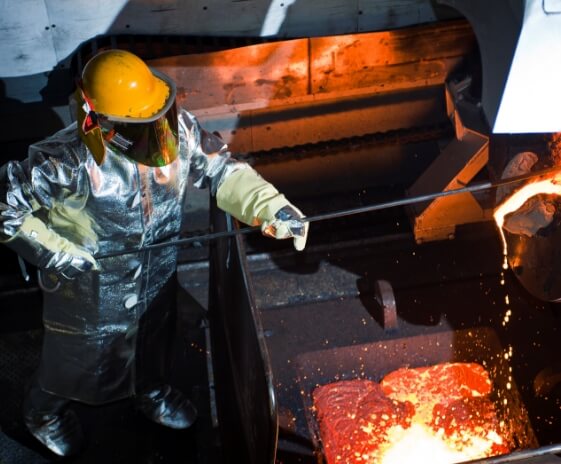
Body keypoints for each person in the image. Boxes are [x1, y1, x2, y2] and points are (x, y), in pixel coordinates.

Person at [0, 49, 308, 457]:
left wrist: (270, 206)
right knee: (74, 364)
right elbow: (5, 207)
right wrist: (57, 252)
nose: (159, 135)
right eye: (140, 127)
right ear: (100, 124)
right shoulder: (65, 163)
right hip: (89, 294)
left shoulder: (177, 130)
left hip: (157, 280)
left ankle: (151, 391)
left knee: (154, 344)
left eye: (157, 119)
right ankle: (44, 412)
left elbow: (220, 168)